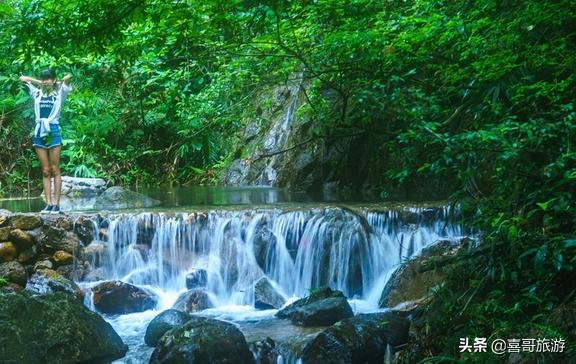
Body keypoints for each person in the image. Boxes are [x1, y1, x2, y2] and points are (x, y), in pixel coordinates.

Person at [19, 69, 72, 214]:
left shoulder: (60, 92)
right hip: (39, 132)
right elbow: (22, 78)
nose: (45, 80)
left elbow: (68, 76)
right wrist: (41, 83)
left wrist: (54, 83)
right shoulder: (37, 92)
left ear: (54, 79)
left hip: (53, 130)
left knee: (55, 169)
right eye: (44, 78)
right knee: (45, 170)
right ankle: (48, 204)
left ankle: (56, 204)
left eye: (48, 78)